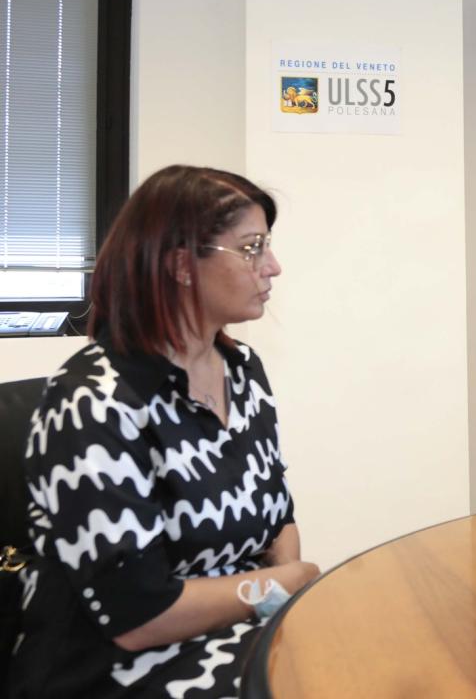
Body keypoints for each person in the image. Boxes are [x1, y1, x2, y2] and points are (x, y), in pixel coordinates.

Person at [8, 166, 320, 698]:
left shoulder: (242, 370)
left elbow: (277, 518)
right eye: (252, 248)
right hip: (114, 669)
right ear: (180, 265)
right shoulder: (93, 400)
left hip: (234, 631)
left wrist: (278, 598)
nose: (273, 266)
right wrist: (281, 584)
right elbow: (138, 616)